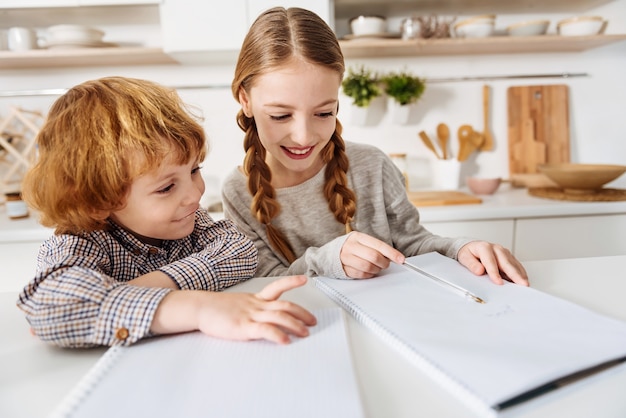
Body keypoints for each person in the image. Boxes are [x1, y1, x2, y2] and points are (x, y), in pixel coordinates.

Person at [222, 7, 528, 286]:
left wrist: (461, 249)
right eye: (280, 115)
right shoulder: (238, 191)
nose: (303, 137)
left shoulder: (372, 165)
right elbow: (264, 283)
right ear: (245, 100)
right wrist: (329, 258)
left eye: (324, 113)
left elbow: (413, 245)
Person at [16, 76, 316, 349]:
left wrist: (140, 288)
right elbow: (52, 306)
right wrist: (197, 308)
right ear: (98, 200)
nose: (194, 194)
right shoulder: (80, 242)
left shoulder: (190, 221)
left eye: (194, 170)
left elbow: (239, 250)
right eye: (166, 187)